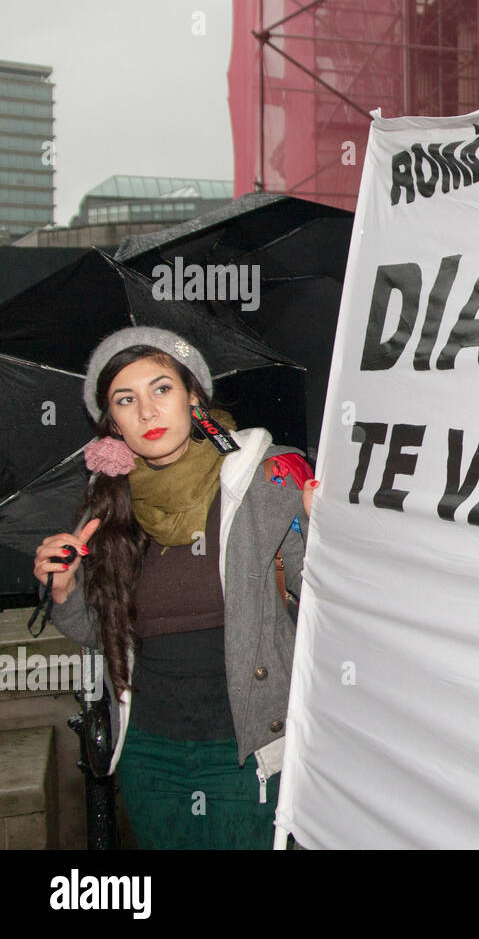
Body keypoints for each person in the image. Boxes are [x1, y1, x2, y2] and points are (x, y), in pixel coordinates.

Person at [32, 326, 317, 849]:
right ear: (112, 423)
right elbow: (101, 633)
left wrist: (325, 535)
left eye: (161, 389)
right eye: (126, 400)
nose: (147, 412)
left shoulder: (266, 478)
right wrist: (65, 590)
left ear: (193, 397)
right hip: (147, 751)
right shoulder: (108, 505)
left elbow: (317, 597)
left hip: (246, 748)